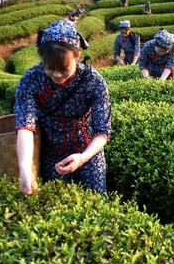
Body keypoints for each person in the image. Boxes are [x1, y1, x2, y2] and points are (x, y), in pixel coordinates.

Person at [15, 19, 111, 196]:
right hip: (53, 153)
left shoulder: (93, 81)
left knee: (97, 200)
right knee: (58, 200)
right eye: (50, 68)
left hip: (88, 151)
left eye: (64, 68)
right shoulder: (31, 80)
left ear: (77, 57)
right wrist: (25, 168)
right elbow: (25, 126)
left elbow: (102, 131)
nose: (57, 75)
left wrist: (83, 157)